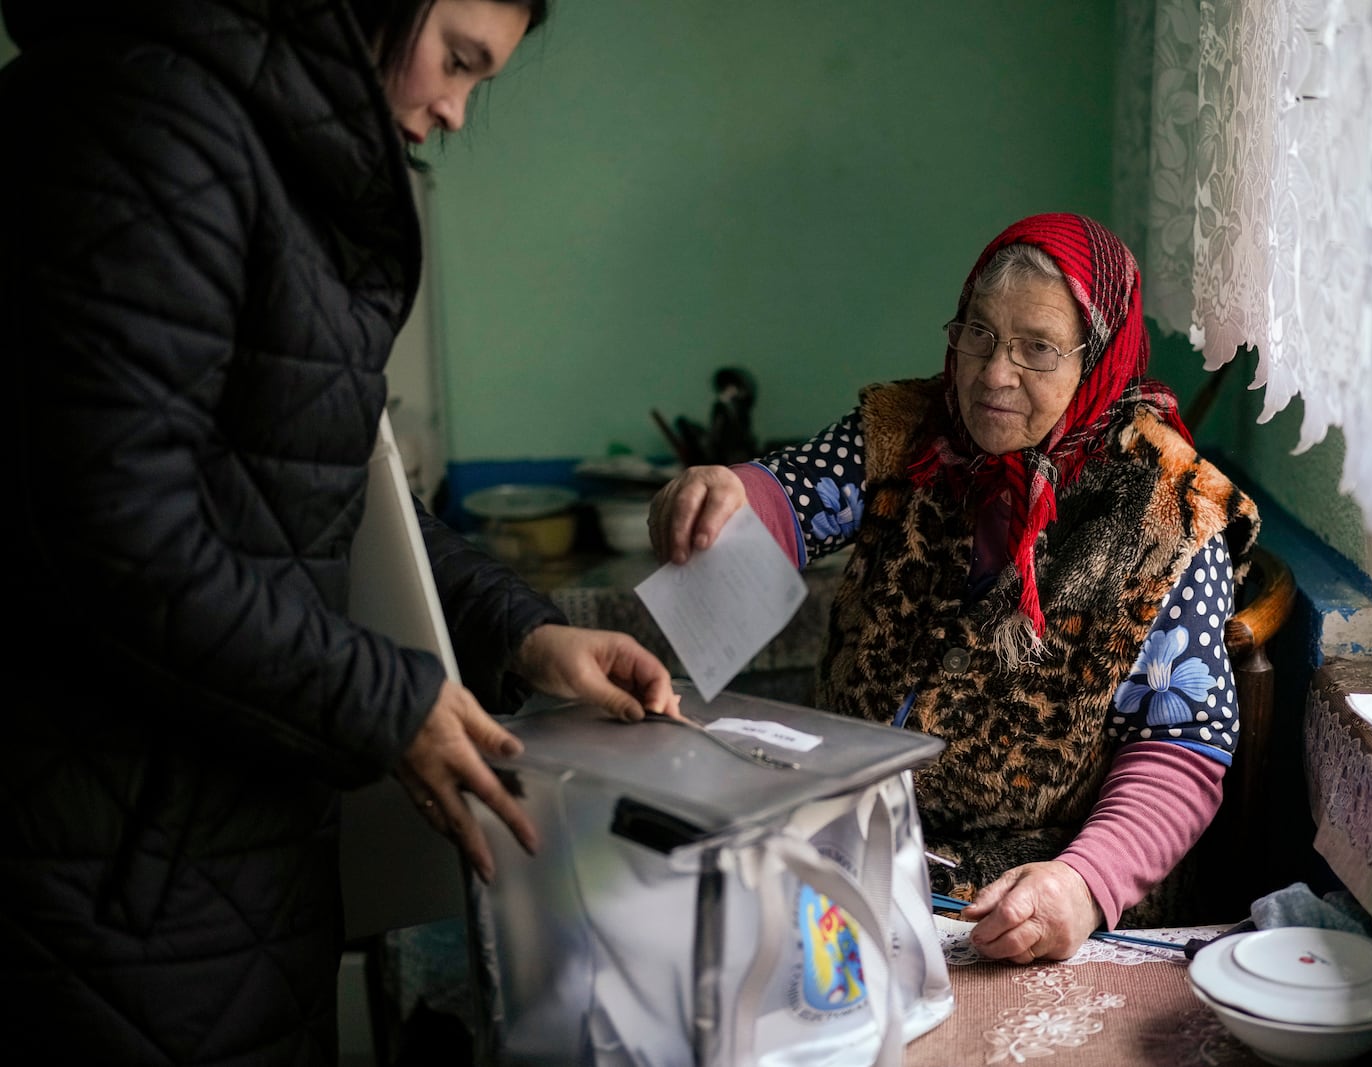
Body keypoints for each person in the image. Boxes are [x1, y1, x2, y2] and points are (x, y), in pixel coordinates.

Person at [0, 0, 680, 1062]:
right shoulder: (146, 114)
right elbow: (113, 532)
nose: (454, 109)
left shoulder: (260, 141)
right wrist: (387, 696)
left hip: (224, 851)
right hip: (112, 872)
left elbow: (328, 484)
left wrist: (519, 630)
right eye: (455, 60)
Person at [650, 213, 1260, 964]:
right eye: (979, 333)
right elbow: (787, 498)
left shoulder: (1168, 510)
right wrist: (723, 495)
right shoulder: (909, 432)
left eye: (1037, 348)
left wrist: (1081, 883)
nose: (994, 373)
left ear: (1097, 355)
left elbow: (1183, 747)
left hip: (1021, 904)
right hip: (850, 845)